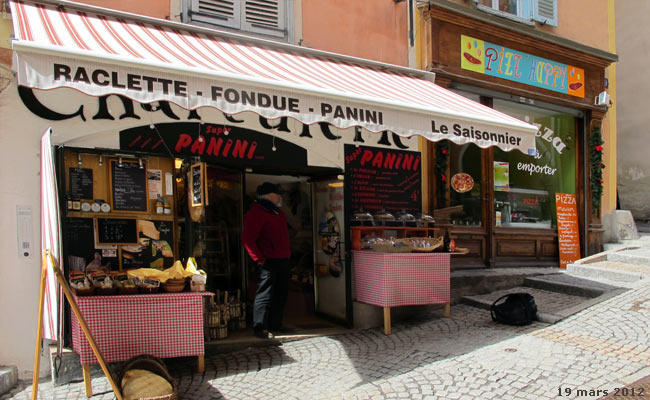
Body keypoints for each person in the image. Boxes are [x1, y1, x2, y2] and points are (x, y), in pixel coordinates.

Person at [242, 182, 291, 339]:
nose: (280, 197)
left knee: (281, 293)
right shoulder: (256, 212)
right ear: (270, 195)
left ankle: (276, 323)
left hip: (283, 259)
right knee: (264, 294)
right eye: (278, 194)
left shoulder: (278, 213)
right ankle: (259, 327)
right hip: (268, 261)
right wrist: (260, 260)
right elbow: (247, 240)